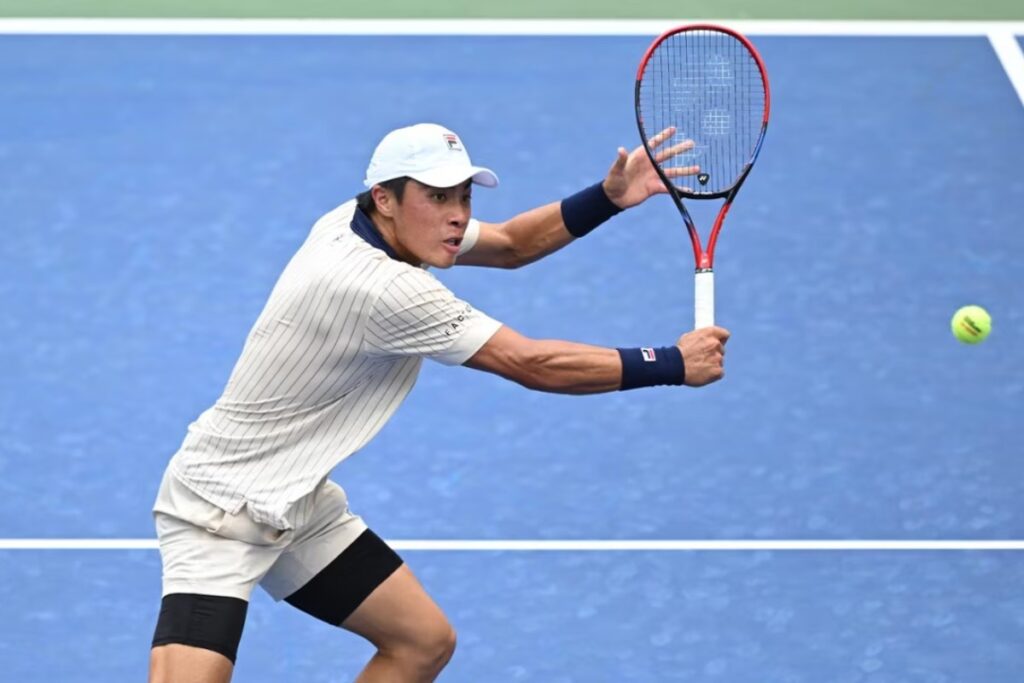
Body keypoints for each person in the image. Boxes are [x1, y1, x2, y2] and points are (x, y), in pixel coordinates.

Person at [148, 122, 730, 683]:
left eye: (462, 195)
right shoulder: (383, 287)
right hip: (219, 512)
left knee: (421, 643)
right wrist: (673, 363)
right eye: (436, 197)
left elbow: (509, 245)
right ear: (387, 198)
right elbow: (532, 363)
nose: (457, 214)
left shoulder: (357, 221)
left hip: (294, 502)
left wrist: (607, 197)